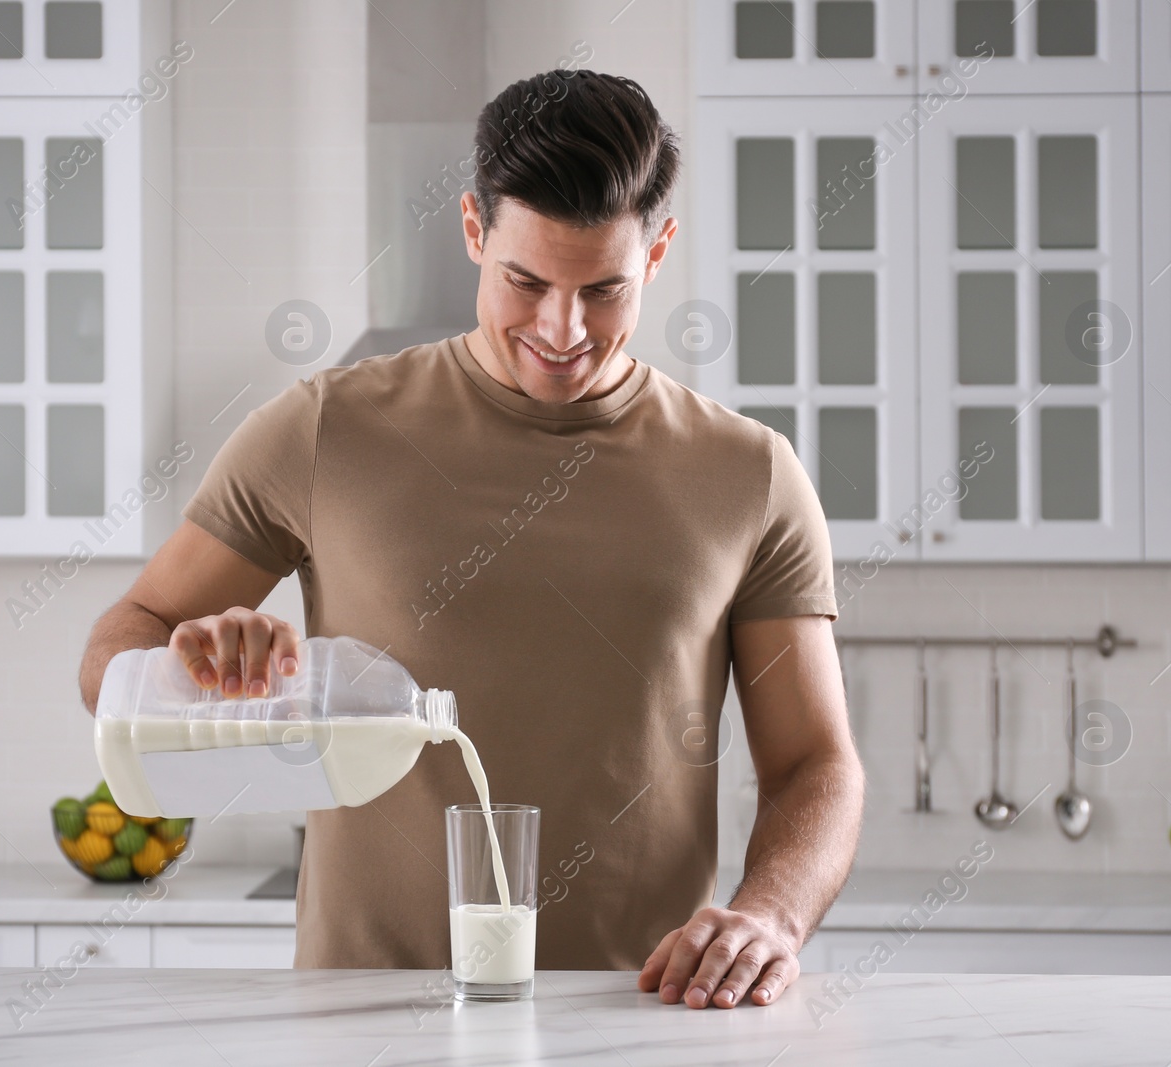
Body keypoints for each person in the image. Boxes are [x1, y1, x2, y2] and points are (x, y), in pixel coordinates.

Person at [79, 68, 864, 1011]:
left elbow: (814, 762)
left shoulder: (750, 475)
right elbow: (123, 638)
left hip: (639, 1023)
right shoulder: (325, 431)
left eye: (604, 289)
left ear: (657, 253)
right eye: (524, 281)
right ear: (472, 231)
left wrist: (771, 914)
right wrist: (181, 659)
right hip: (360, 1023)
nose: (562, 328)